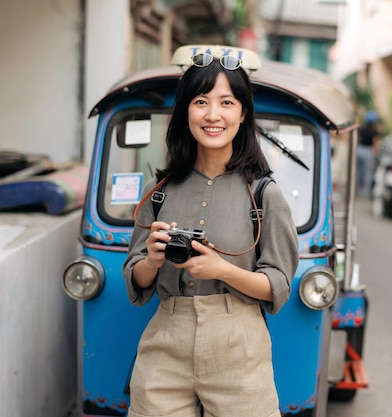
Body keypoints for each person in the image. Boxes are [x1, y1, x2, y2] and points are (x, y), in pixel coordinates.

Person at [122, 51, 299, 417]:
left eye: (226, 103)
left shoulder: (265, 194)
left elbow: (278, 285)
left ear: (243, 113)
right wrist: (153, 261)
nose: (212, 115)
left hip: (240, 345)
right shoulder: (160, 190)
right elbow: (135, 277)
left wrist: (222, 270)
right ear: (186, 110)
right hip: (165, 342)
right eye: (200, 101)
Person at [356, 110, 380, 198]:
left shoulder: (361, 129)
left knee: (357, 172)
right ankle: (367, 194)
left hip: (359, 150)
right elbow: (375, 143)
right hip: (368, 152)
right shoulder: (374, 131)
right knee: (368, 173)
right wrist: (377, 153)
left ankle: (355, 193)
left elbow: (358, 140)